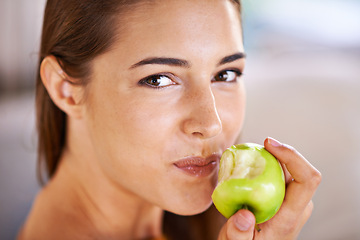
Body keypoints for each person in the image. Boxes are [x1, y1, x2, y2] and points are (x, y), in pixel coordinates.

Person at [18, 0, 321, 239]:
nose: (211, 124)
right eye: (159, 79)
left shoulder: (189, 219)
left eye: (225, 74)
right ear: (66, 90)